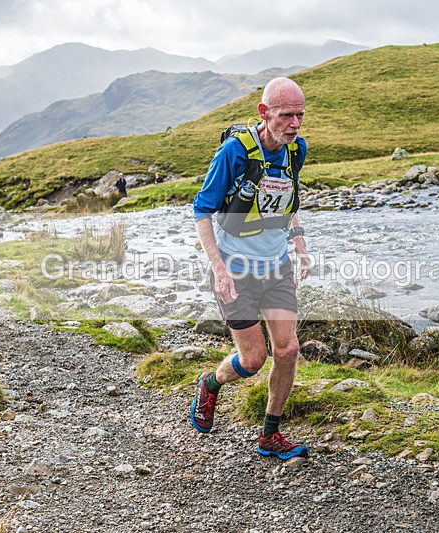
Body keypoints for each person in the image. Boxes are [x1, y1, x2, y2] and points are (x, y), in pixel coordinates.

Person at [190, 77, 312, 460]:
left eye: (300, 115)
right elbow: (202, 210)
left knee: (288, 349)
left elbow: (289, 201)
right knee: (253, 360)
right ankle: (210, 383)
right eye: (286, 115)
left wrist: (300, 243)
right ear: (264, 113)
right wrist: (219, 269)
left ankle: (270, 436)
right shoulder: (234, 153)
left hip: (277, 265)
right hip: (235, 268)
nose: (295, 124)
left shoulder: (296, 150)